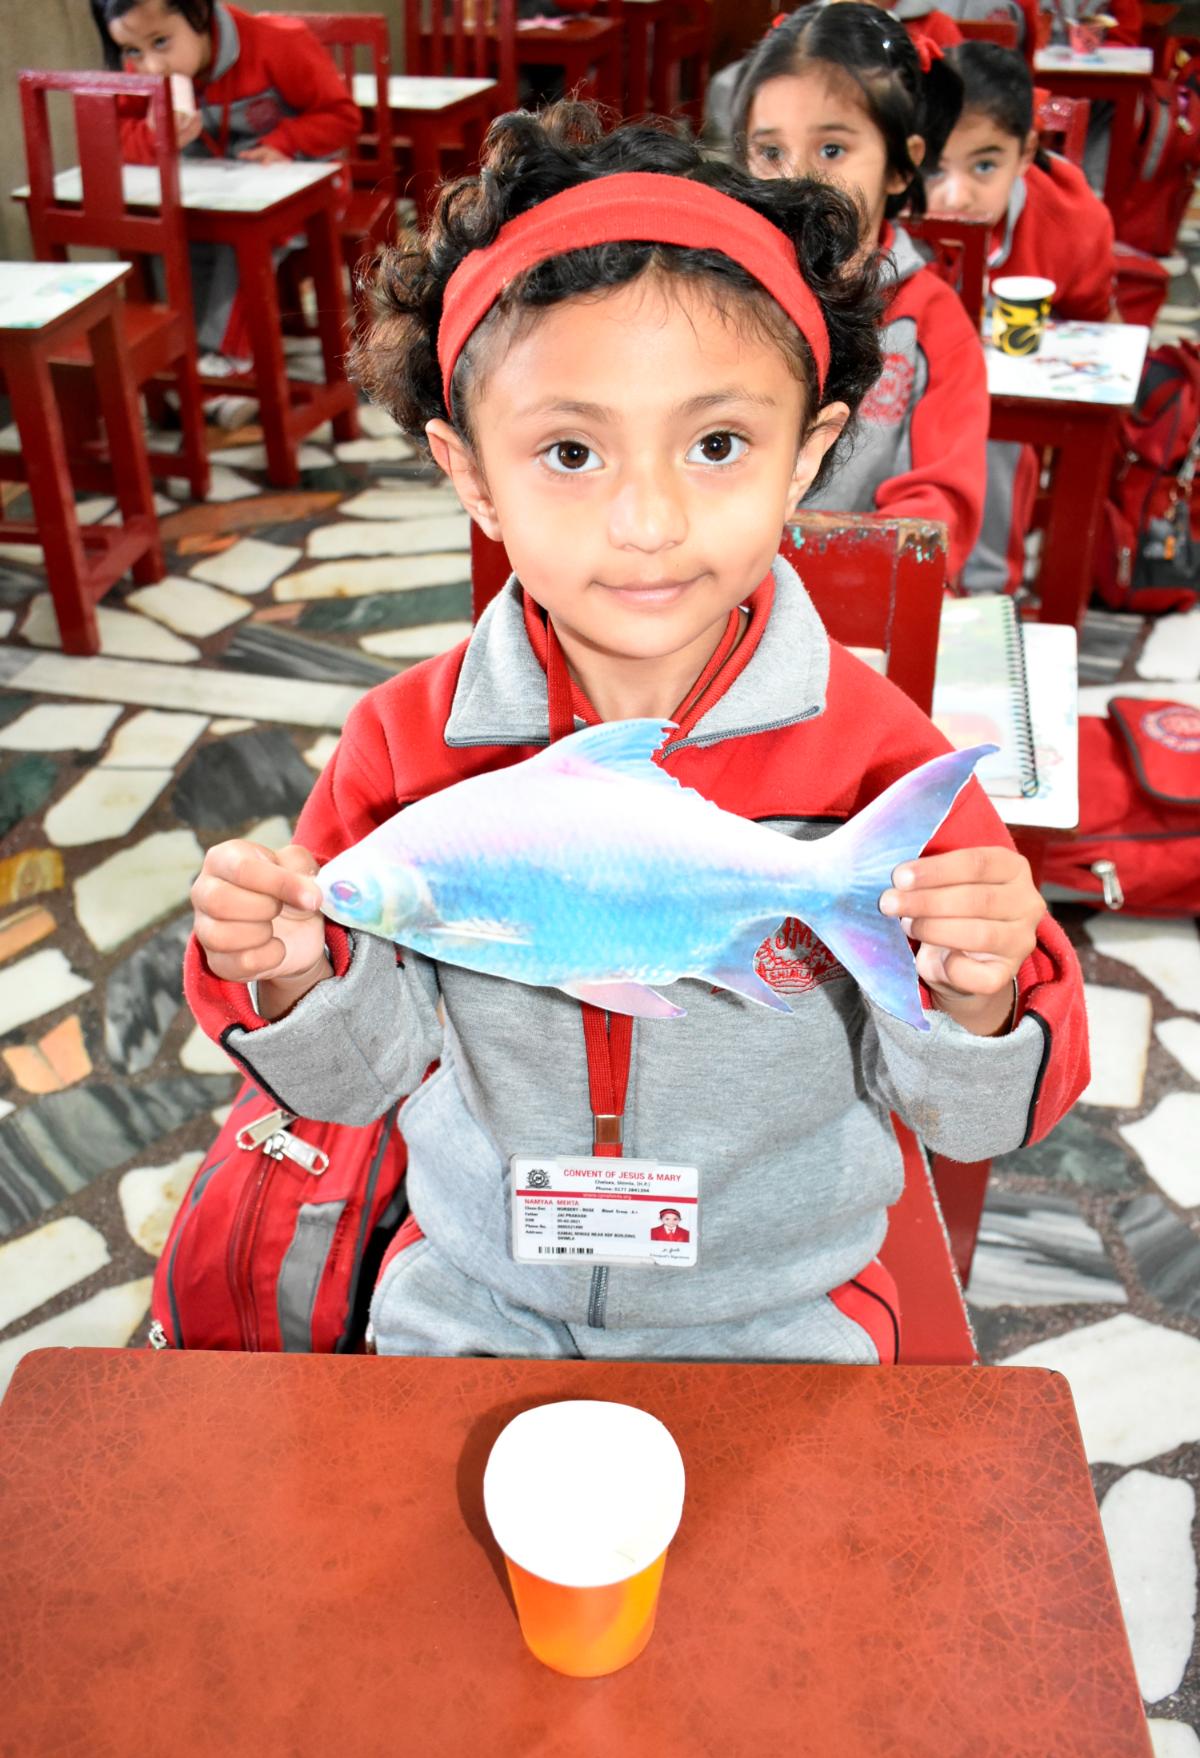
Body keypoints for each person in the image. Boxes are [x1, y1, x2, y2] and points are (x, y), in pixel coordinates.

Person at [186, 103, 1089, 1367]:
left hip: (783, 1306)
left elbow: (978, 1119)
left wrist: (979, 995)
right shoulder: (404, 750)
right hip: (478, 1289)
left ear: (807, 455)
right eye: (570, 450)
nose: (649, 519)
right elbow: (352, 1088)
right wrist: (291, 977)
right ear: (471, 473)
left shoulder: (877, 758)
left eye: (717, 443)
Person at [731, 3, 989, 586]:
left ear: (901, 166)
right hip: (714, 605)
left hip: (858, 605)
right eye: (770, 152)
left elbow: (935, 512)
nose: (796, 180)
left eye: (832, 150)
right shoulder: (718, 293)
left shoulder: (931, 324)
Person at [91, 0, 361, 425]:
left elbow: (342, 116)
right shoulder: (140, 72)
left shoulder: (277, 42)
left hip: (304, 189)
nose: (152, 66)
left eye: (161, 42)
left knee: (244, 244)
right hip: (210, 198)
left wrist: (284, 142)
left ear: (199, 13)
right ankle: (195, 362)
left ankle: (227, 365)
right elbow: (119, 136)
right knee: (171, 240)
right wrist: (153, 136)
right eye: (133, 51)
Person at [928, 39, 1117, 590]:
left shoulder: (1072, 219)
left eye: (985, 165)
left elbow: (1095, 325)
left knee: (993, 438)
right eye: (935, 166)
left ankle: (989, 592)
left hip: (1001, 417)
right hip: (909, 383)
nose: (955, 196)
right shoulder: (891, 204)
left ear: (1027, 152)